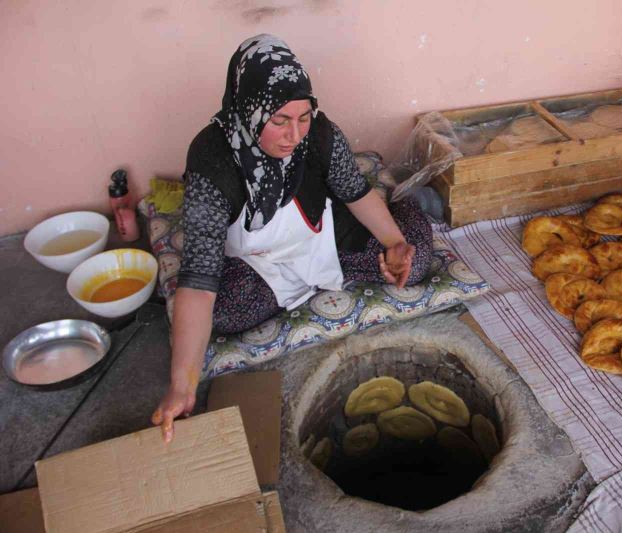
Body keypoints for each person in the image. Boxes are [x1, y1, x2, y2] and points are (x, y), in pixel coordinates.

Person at [151, 34, 432, 441]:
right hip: (259, 261)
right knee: (223, 313)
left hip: (322, 237)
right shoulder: (212, 158)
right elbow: (199, 280)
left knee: (415, 262)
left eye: (303, 117)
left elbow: (355, 193)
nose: (294, 135)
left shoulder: (319, 135)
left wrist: (393, 244)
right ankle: (335, 271)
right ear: (247, 109)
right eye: (279, 120)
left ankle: (404, 216)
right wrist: (182, 385)